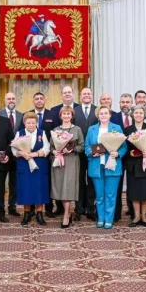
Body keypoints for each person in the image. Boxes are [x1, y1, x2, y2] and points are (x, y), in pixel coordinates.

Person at [85, 106, 127, 229]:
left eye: (105, 113)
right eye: (101, 113)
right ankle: (101, 218)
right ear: (98, 116)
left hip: (112, 165)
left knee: (111, 194)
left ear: (110, 115)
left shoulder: (116, 128)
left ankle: (109, 219)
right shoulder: (92, 129)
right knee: (99, 195)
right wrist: (91, 153)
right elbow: (87, 146)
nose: (103, 115)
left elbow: (124, 146)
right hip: (96, 165)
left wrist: (118, 153)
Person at [22, 92, 58, 216]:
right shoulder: (27, 115)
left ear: (45, 100)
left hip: (48, 154)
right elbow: (20, 136)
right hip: (28, 157)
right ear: (33, 101)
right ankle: (31, 209)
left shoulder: (52, 115)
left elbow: (56, 133)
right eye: (36, 99)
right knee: (31, 182)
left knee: (46, 182)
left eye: (41, 98)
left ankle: (48, 208)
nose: (39, 100)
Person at [13, 112, 50, 226]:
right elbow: (14, 149)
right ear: (24, 123)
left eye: (33, 123)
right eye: (28, 123)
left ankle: (39, 214)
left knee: (39, 189)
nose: (31, 125)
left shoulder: (42, 133)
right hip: (24, 165)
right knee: (26, 189)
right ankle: (27, 214)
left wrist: (36, 154)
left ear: (36, 123)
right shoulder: (19, 133)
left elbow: (47, 148)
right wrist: (22, 153)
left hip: (39, 165)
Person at [123, 105, 146, 227]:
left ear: (144, 115)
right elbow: (124, 148)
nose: (138, 115)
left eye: (141, 113)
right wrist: (129, 153)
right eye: (136, 113)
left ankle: (144, 216)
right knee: (134, 192)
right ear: (132, 115)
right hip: (133, 165)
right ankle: (136, 217)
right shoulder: (128, 130)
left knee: (145, 191)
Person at [51, 106, 84, 228]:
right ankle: (67, 212)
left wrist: (72, 149)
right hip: (58, 161)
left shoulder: (77, 129)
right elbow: (51, 146)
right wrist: (54, 151)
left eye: (68, 114)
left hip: (71, 161)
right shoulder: (55, 130)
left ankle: (66, 214)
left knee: (68, 186)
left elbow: (82, 146)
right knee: (60, 186)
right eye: (64, 114)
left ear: (72, 115)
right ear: (60, 116)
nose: (66, 116)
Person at [73, 88, 97, 221]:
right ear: (80, 96)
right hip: (78, 152)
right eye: (84, 94)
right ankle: (79, 209)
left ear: (92, 96)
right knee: (79, 181)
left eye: (89, 93)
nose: (87, 95)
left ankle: (90, 208)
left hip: (94, 152)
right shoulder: (74, 111)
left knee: (92, 181)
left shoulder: (97, 110)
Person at [110, 93, 133, 221]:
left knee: (133, 185)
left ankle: (133, 212)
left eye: (127, 102)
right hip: (117, 156)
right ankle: (116, 214)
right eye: (123, 102)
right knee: (116, 186)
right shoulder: (113, 118)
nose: (125, 104)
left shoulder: (137, 116)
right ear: (119, 103)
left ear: (131, 103)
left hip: (134, 157)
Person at [0, 92, 23, 217]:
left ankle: (12, 206)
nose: (11, 100)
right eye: (9, 98)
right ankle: (0, 207)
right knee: (0, 183)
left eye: (13, 98)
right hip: (2, 154)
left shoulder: (21, 115)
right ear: (5, 100)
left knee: (14, 183)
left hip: (16, 155)